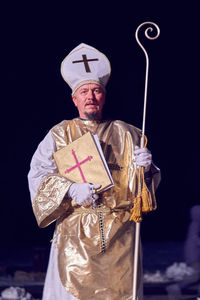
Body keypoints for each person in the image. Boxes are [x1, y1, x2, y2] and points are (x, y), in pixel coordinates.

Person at [28, 43, 161, 300]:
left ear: (104, 96)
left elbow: (142, 194)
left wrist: (147, 170)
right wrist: (69, 188)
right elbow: (38, 175)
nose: (91, 96)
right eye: (84, 91)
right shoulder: (60, 134)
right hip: (75, 235)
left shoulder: (128, 133)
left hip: (121, 238)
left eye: (96, 91)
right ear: (74, 98)